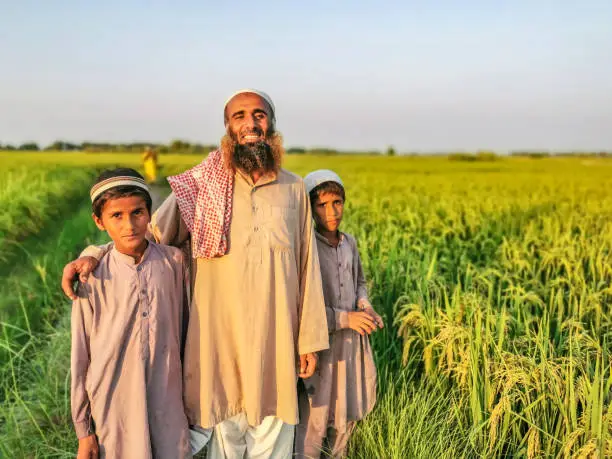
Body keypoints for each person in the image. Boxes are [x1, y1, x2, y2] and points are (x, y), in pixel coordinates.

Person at [62, 89, 329, 458]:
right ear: (227, 128)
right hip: (218, 346)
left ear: (271, 125)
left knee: (275, 441)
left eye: (259, 115)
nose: (250, 123)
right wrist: (93, 254)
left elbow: (307, 267)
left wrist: (309, 340)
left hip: (277, 342)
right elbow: (144, 235)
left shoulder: (294, 189)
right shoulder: (205, 184)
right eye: (239, 116)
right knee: (225, 441)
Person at [70, 168, 191, 459]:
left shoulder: (174, 263)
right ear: (99, 222)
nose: (129, 225)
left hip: (168, 398)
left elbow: (186, 331)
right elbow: (80, 355)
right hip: (114, 402)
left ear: (150, 214)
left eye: (137, 213)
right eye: (116, 216)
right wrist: (83, 429)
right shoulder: (92, 275)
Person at [294, 170, 384, 458]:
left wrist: (365, 306)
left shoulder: (349, 243)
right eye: (321, 205)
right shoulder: (306, 248)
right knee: (316, 418)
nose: (331, 211)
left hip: (350, 346)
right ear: (309, 208)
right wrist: (347, 319)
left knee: (345, 413)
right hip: (321, 346)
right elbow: (304, 305)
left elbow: (360, 282)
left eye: (337, 202)